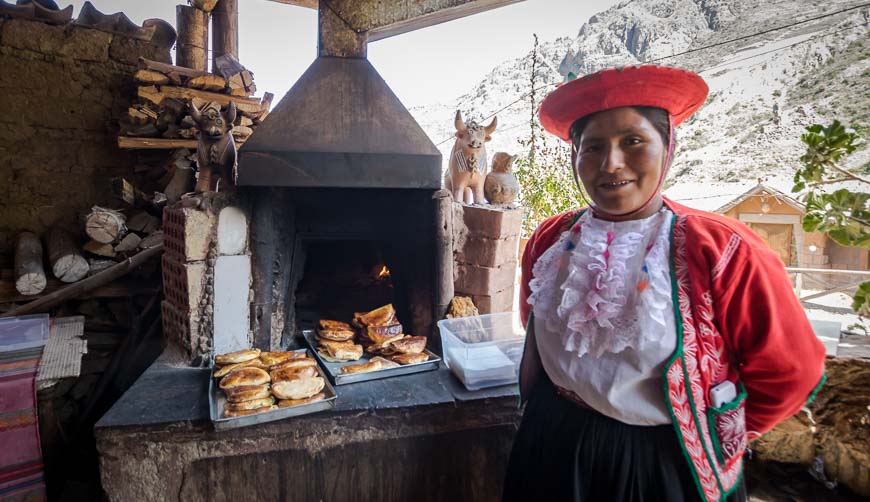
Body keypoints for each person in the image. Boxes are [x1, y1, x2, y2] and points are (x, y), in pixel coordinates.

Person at [503, 65, 826, 502]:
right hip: (552, 442)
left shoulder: (721, 249)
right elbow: (534, 325)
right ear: (574, 156)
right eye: (592, 146)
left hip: (664, 462)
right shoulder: (550, 240)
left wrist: (715, 432)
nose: (611, 163)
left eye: (633, 141)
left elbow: (791, 370)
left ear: (667, 147)